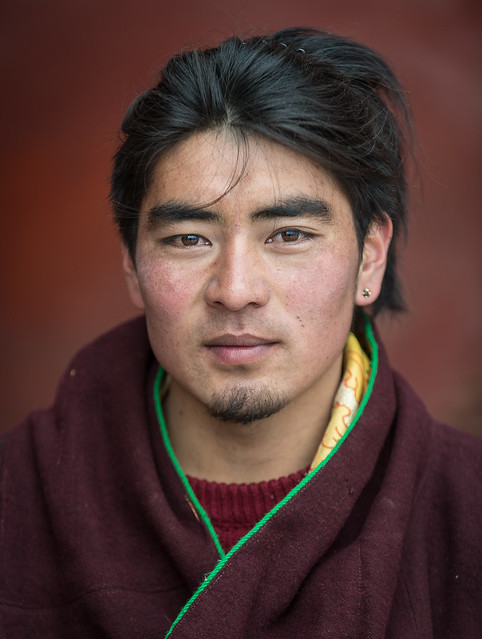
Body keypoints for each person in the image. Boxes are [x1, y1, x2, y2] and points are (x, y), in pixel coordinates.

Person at [0, 27, 480, 638]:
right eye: (188, 239)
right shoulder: (18, 494)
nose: (235, 289)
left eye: (289, 235)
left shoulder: (466, 508)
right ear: (132, 266)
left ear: (369, 258)